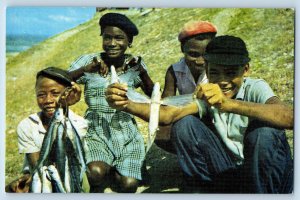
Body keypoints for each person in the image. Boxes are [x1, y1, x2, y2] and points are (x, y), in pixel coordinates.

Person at [105, 35, 294, 193]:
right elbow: (166, 115)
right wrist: (125, 104)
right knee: (185, 125)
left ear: (245, 69)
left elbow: (290, 117)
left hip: (268, 176)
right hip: (233, 174)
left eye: (230, 73)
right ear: (207, 70)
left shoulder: (255, 87)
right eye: (215, 73)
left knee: (263, 133)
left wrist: (228, 104)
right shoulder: (207, 94)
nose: (223, 81)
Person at [68, 12, 154, 193]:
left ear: (129, 41)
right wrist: (85, 70)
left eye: (119, 38)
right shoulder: (90, 61)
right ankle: (105, 166)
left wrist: (142, 72)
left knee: (129, 185)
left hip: (126, 131)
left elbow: (153, 95)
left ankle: (119, 167)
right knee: (95, 174)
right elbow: (58, 80)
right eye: (107, 37)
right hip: (96, 129)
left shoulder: (134, 63)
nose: (112, 43)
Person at [13, 66, 87, 193]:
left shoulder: (79, 124)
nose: (48, 100)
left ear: (67, 94)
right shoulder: (27, 125)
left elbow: (74, 160)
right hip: (41, 174)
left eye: (55, 94)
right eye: (41, 95)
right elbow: (38, 166)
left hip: (72, 176)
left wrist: (65, 107)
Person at [156, 21, 217, 152]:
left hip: (215, 117)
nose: (200, 61)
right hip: (188, 116)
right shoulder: (174, 71)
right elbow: (166, 103)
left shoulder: (218, 69)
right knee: (162, 135)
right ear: (182, 49)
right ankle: (194, 155)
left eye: (206, 55)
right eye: (193, 54)